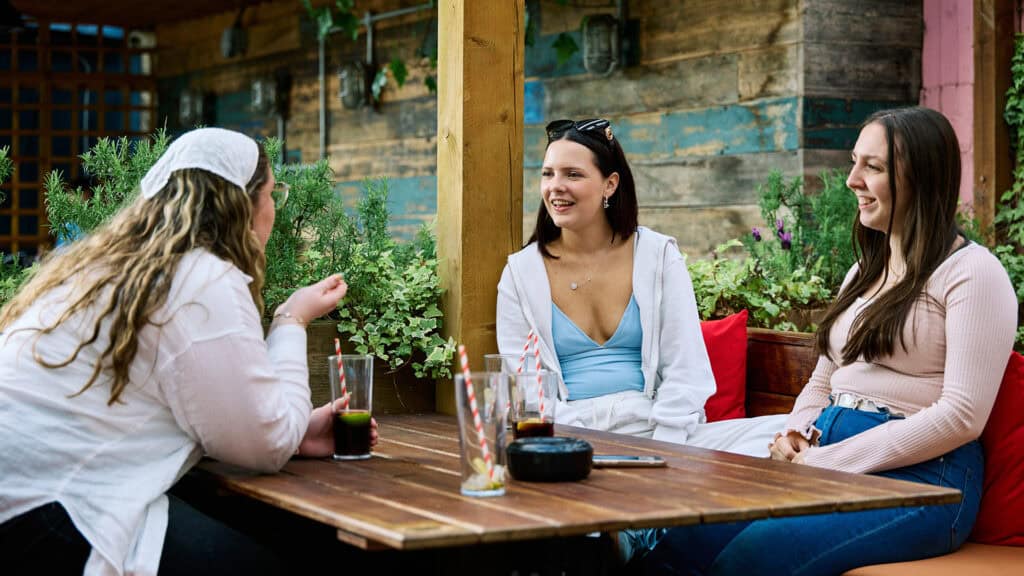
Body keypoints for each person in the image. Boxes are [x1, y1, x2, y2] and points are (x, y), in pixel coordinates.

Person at [643, 107, 1017, 575]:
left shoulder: (972, 273)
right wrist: (796, 435)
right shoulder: (864, 272)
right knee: (680, 540)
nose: (851, 180)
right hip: (831, 455)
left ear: (921, 178)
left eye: (873, 167)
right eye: (855, 162)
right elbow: (825, 377)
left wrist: (831, 461)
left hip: (925, 479)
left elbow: (962, 417)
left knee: (754, 556)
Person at [0, 127, 378, 576]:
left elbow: (235, 420)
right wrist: (291, 320)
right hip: (54, 511)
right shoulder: (201, 279)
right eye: (274, 193)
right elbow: (268, 442)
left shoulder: (106, 267)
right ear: (242, 203)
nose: (275, 209)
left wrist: (295, 433)